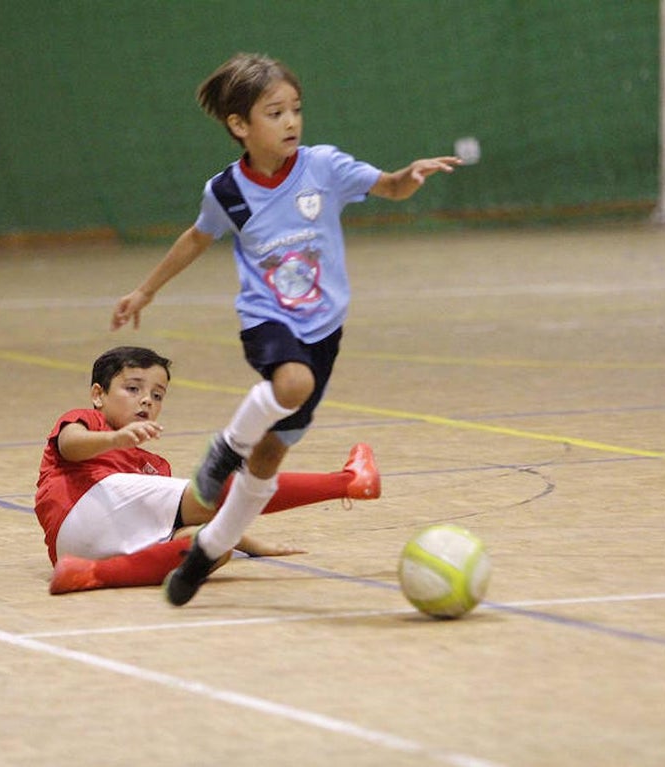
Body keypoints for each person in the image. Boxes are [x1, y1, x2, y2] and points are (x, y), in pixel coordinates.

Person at [110, 52, 460, 606]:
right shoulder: (226, 192)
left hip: (325, 329)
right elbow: (197, 238)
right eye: (275, 113)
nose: (291, 121)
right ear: (240, 126)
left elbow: (388, 186)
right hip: (267, 318)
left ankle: (206, 550)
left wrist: (407, 177)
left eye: (296, 109)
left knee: (271, 457)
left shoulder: (323, 167)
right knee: (290, 384)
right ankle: (224, 448)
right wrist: (146, 290)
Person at [36, 345, 380, 595]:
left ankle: (93, 574)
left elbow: (194, 515)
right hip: (80, 511)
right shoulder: (87, 421)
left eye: (158, 395)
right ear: (98, 395)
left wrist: (251, 544)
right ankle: (348, 482)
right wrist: (115, 439)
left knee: (211, 547)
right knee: (213, 488)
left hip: (78, 552)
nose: (147, 401)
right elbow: (70, 444)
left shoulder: (154, 467)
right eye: (133, 389)